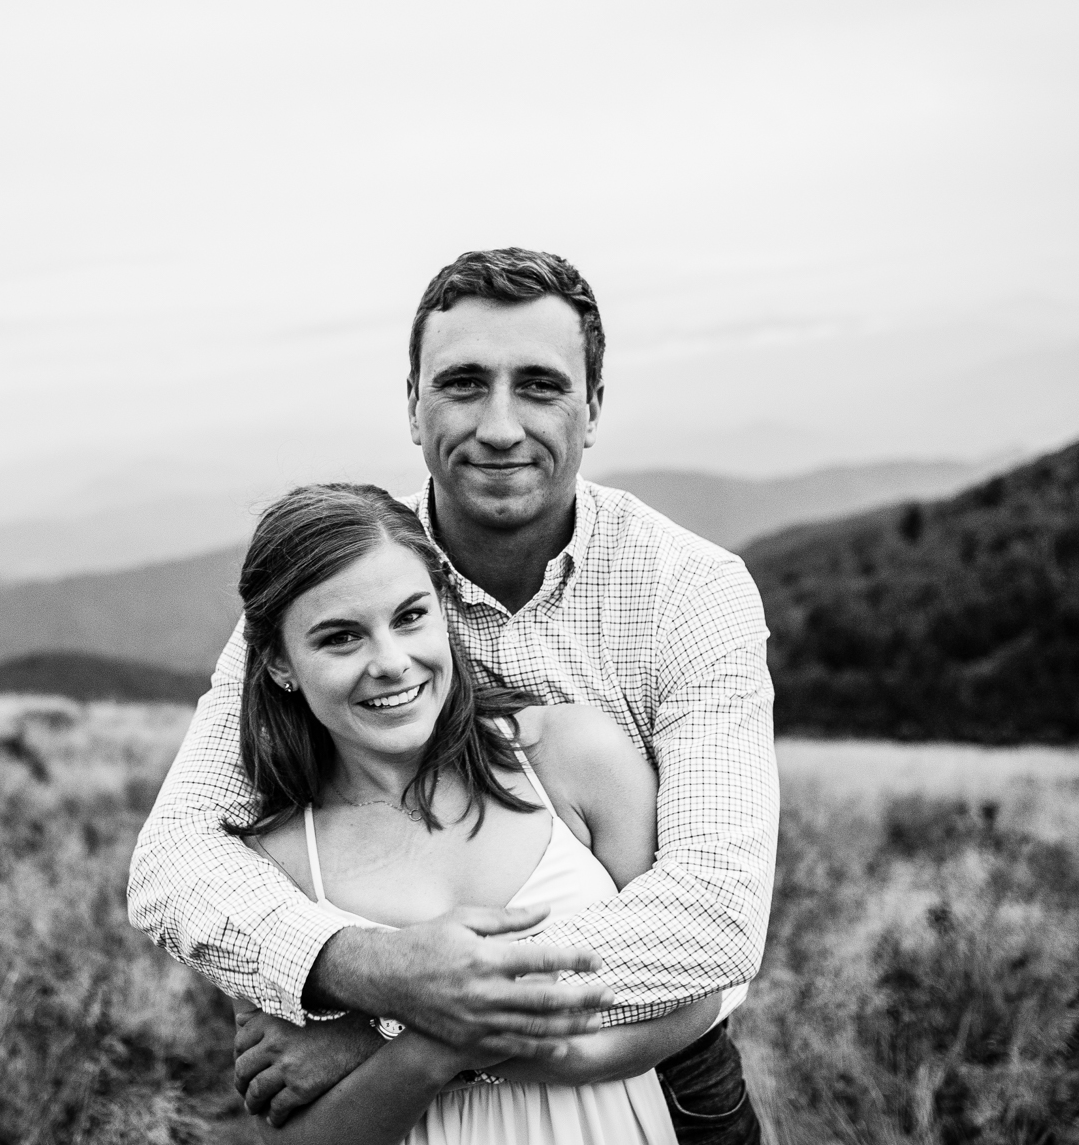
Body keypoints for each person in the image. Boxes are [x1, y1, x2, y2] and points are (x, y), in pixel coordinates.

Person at [130, 249, 777, 1142]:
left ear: (592, 407)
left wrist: (388, 1027)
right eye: (465, 383)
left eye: (541, 385)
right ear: (412, 404)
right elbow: (172, 864)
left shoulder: (692, 590)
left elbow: (714, 921)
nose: (501, 426)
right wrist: (365, 965)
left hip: (663, 1074)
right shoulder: (347, 579)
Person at [220, 482, 723, 1142]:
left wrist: (386, 1038)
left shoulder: (569, 756)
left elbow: (692, 1001)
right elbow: (298, 1133)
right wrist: (432, 1047)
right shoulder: (269, 866)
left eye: (409, 617)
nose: (392, 662)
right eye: (341, 637)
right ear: (282, 663)